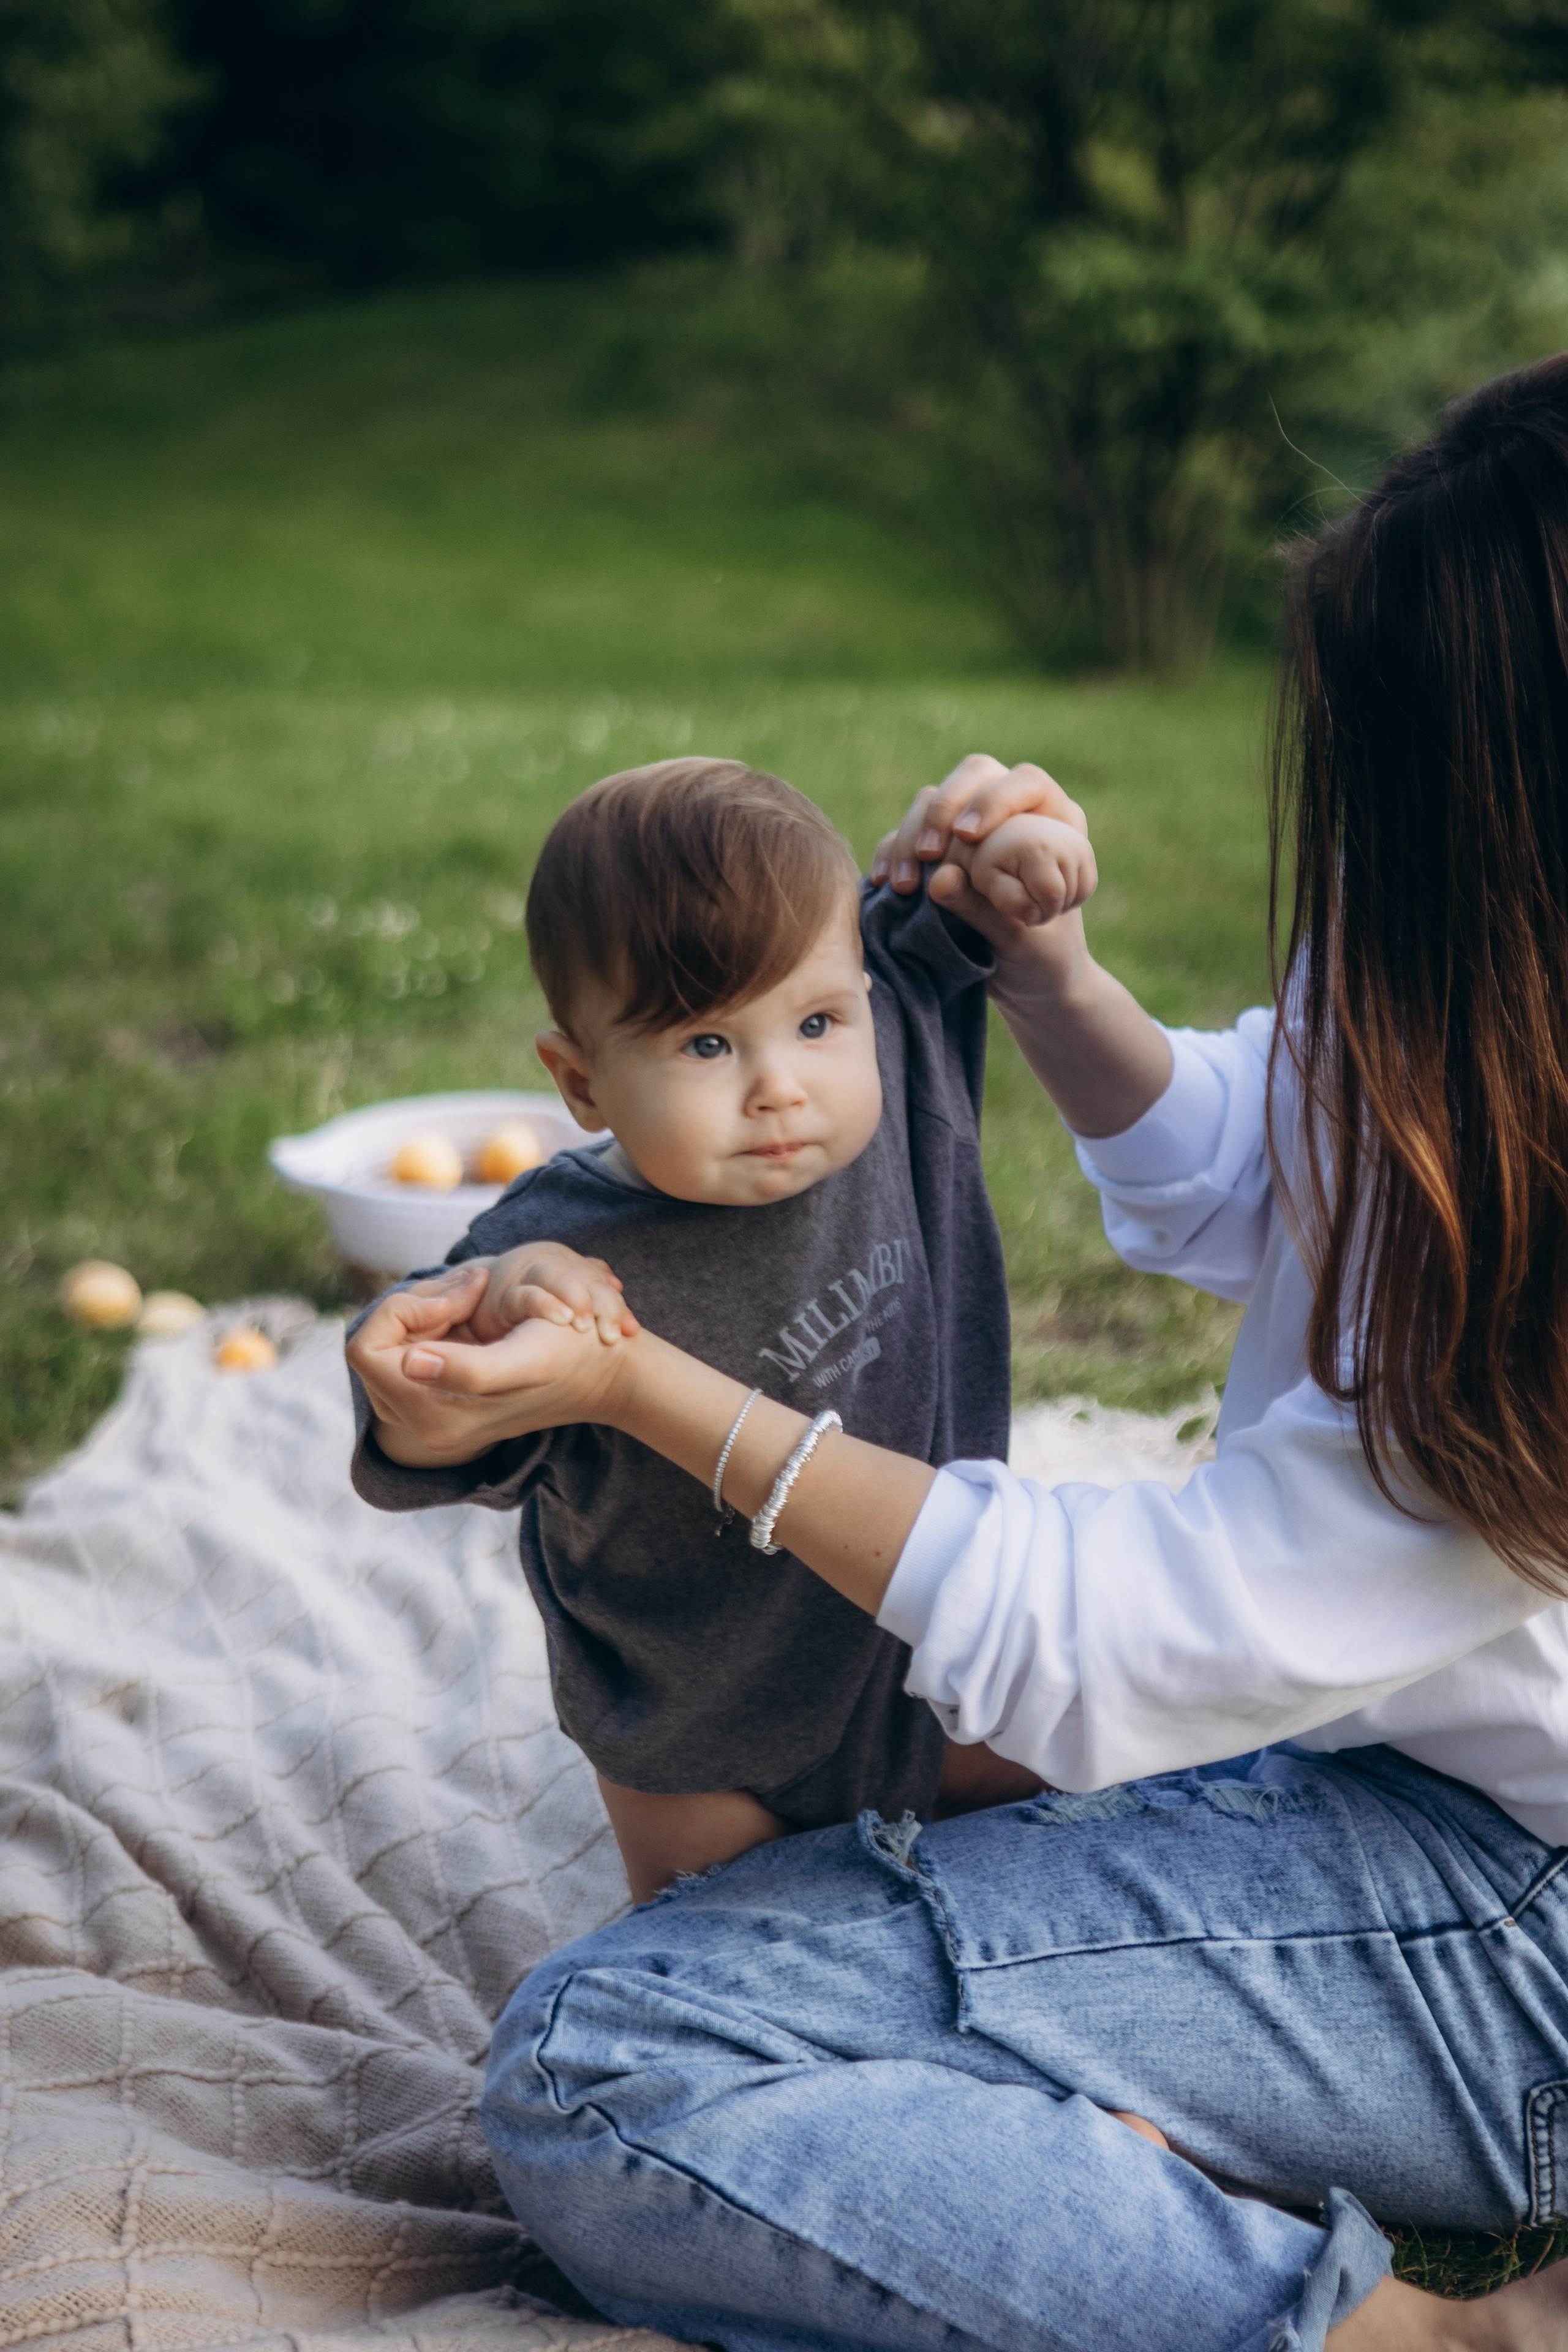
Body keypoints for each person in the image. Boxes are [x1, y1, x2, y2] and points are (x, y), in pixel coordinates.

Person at [347, 355, 1568, 2351]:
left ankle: (1439, 2334)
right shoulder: (1489, 991)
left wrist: (649, 1390)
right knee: (858, 1850)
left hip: (1524, 1928)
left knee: (616, 2064)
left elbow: (1103, 1636)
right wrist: (1048, 974)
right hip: (1414, 1757)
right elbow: (1270, 1153)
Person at [350, 756, 1092, 1899]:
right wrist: (498, 1309)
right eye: (707, 1045)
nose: (779, 1086)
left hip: (930, 1663)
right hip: (699, 1736)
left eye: (813, 1021)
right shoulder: (557, 1255)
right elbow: (421, 1409)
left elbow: (958, 905)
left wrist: (1009, 850)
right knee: (717, 1964)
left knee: (1088, 1828)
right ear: (581, 1082)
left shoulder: (884, 1036)